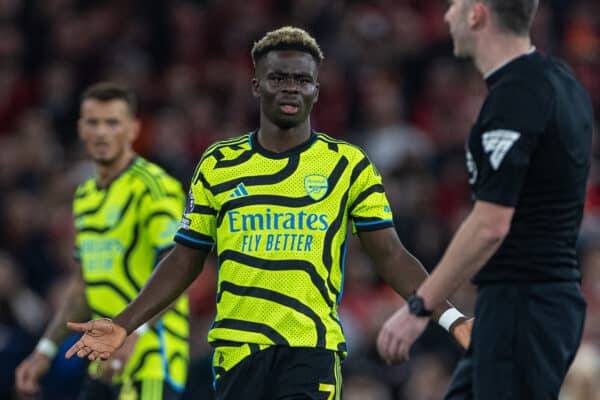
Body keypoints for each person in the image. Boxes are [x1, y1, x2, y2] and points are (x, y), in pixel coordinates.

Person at [63, 27, 472, 400]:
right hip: (236, 355)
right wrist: (124, 323)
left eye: (302, 80)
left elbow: (392, 255)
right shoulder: (219, 164)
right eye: (279, 78)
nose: (291, 88)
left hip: (309, 352)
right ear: (257, 85)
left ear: (316, 88)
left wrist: (452, 318)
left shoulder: (347, 165)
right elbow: (185, 259)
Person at [376, 1, 594, 399]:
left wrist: (419, 309)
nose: (446, 16)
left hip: (524, 304)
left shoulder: (516, 97)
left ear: (477, 14)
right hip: (535, 304)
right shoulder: (562, 82)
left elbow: (491, 224)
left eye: (455, 5)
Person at [15, 82, 190, 400]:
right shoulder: (84, 197)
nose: (102, 132)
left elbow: (179, 272)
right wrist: (45, 350)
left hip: (151, 361)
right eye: (93, 122)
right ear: (81, 128)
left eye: (112, 122)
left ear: (134, 128)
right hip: (104, 360)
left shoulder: (154, 188)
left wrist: (132, 336)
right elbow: (83, 285)